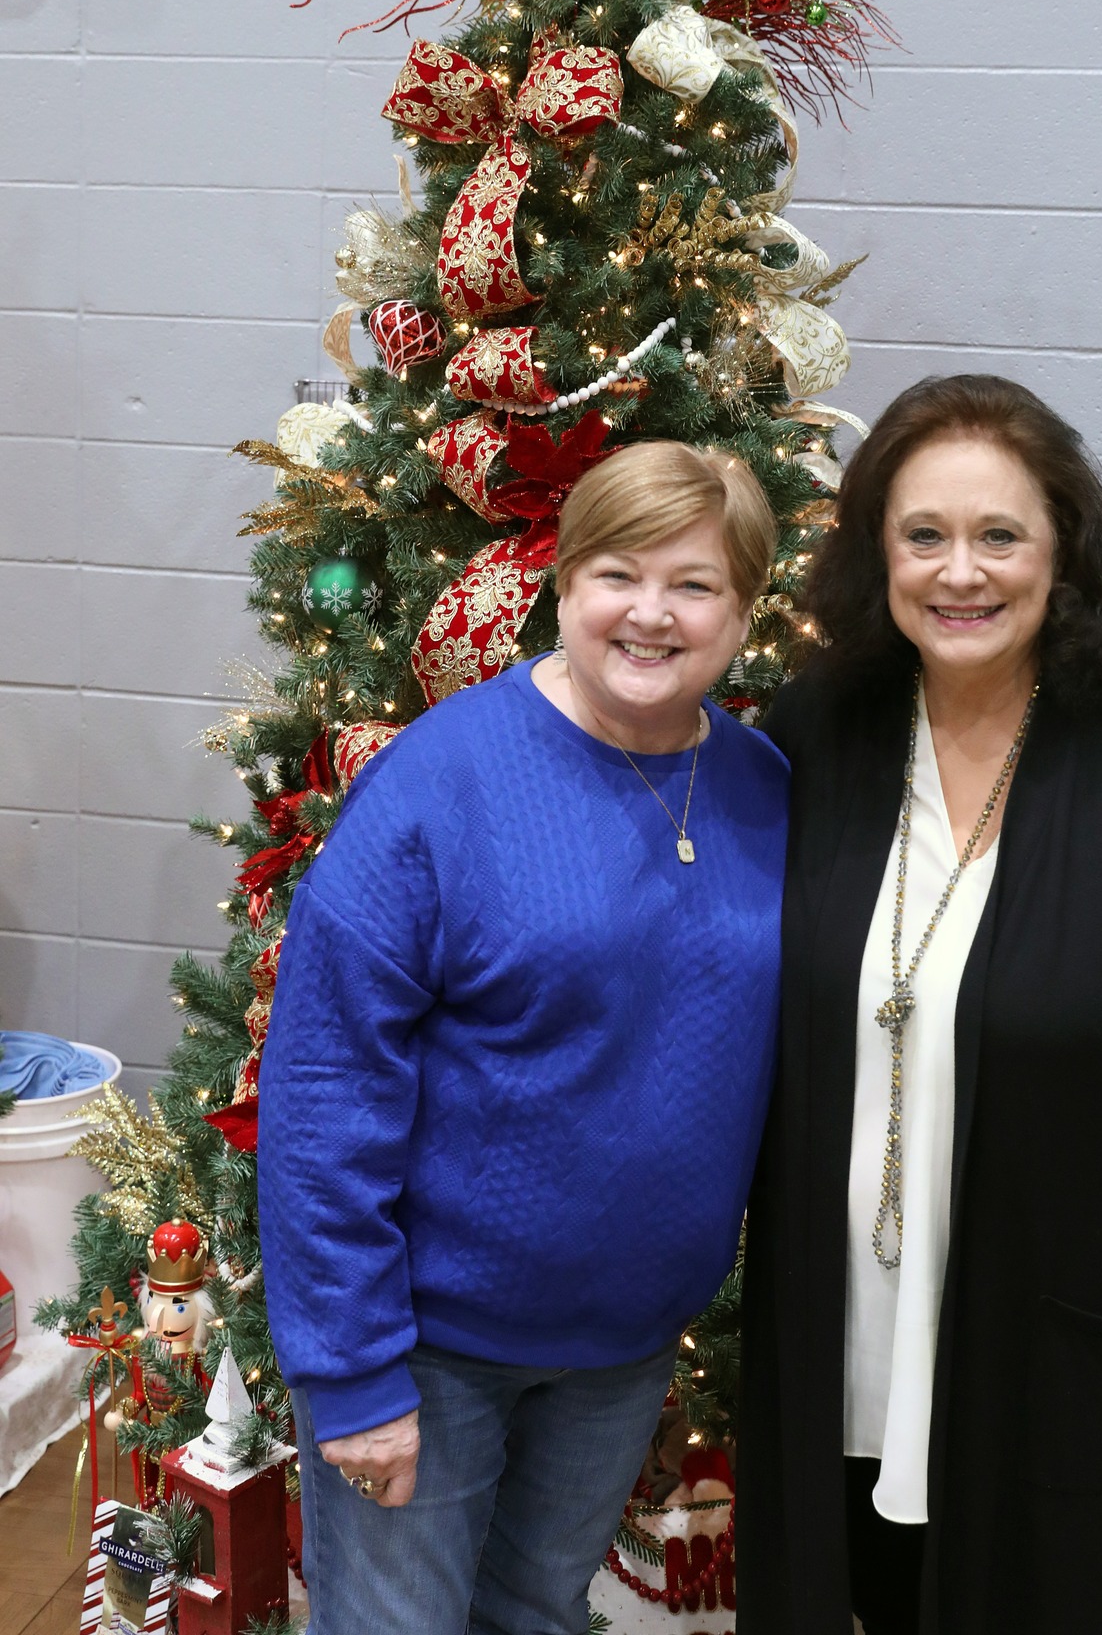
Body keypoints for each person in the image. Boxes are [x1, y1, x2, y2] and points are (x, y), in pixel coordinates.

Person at [737, 374, 1102, 1635]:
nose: (961, 572)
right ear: (876, 553)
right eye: (923, 534)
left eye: (998, 534)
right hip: (845, 1342)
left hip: (1073, 1367)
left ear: (1064, 553)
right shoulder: (816, 737)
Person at [257, 440, 788, 1635]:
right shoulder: (440, 782)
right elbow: (325, 1086)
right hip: (426, 1346)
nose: (650, 612)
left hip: (622, 1348)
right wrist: (351, 1368)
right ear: (562, 581)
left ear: (744, 609)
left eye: (694, 583)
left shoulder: (763, 788)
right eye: (616, 573)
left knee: (535, 1615)